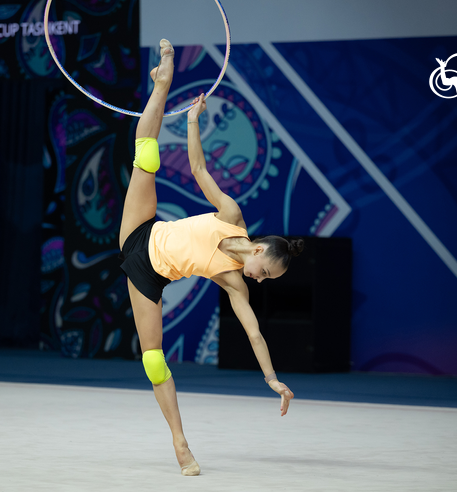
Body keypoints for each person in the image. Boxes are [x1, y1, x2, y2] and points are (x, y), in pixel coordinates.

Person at [119, 39, 300, 476]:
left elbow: (254, 333)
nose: (259, 280)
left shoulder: (235, 282)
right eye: (264, 272)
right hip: (144, 230)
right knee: (147, 153)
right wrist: (194, 121)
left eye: (265, 280)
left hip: (147, 273)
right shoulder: (232, 215)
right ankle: (163, 81)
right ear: (258, 249)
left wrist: (271, 378)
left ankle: (180, 444)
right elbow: (199, 169)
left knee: (153, 360)